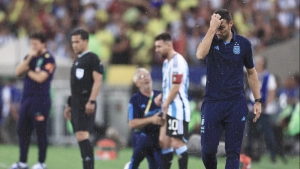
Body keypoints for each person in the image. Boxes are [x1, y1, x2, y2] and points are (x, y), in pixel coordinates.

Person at [195, 9, 262, 169]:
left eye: (222, 27)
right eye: (216, 27)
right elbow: (199, 55)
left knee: (233, 153)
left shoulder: (244, 44)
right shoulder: (210, 39)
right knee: (207, 151)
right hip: (212, 103)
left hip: (236, 103)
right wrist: (211, 29)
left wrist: (257, 100)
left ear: (231, 24)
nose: (219, 31)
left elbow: (252, 73)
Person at [11, 32, 56, 169]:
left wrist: (27, 69)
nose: (33, 46)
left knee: (40, 131)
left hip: (40, 100)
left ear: (43, 44)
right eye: (31, 44)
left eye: (35, 44)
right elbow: (17, 72)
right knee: (22, 130)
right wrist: (29, 58)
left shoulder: (49, 59)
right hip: (26, 99)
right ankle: (22, 162)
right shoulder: (29, 57)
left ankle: (41, 163)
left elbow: (40, 78)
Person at [64, 29, 103, 169]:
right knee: (80, 136)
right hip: (75, 102)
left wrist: (91, 100)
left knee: (82, 135)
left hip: (85, 101)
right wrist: (68, 105)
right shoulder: (77, 61)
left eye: (77, 42)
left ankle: (89, 167)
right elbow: (74, 86)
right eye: (73, 42)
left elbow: (98, 80)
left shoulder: (92, 58)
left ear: (85, 41)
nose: (74, 45)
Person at [154, 32, 190, 169]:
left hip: (177, 109)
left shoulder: (177, 61)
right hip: (168, 107)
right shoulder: (166, 64)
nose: (156, 50)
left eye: (159, 46)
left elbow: (175, 88)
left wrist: (166, 103)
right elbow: (168, 86)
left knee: (177, 143)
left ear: (169, 45)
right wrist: (162, 96)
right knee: (163, 141)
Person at [127, 68, 164, 169]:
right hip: (141, 136)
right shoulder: (134, 99)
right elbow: (132, 124)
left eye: (147, 75)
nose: (145, 78)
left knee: (158, 165)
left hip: (157, 137)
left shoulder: (160, 96)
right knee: (136, 160)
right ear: (137, 84)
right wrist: (151, 119)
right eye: (141, 77)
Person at [245, 56, 279, 162]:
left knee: (268, 133)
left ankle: (273, 155)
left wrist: (265, 104)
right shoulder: (252, 75)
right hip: (252, 109)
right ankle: (248, 155)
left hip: (264, 110)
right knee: (250, 134)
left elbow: (272, 93)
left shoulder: (269, 77)